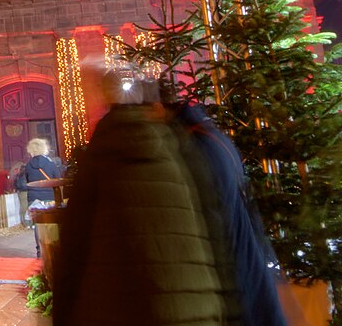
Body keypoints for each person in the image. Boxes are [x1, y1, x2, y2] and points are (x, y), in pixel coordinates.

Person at [52, 70, 227, 326]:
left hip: (115, 308)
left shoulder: (100, 156)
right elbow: (217, 237)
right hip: (192, 308)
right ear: (154, 107)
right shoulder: (182, 151)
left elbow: (73, 250)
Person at [169, 99, 286, 326]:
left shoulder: (196, 146)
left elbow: (214, 213)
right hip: (248, 247)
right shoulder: (215, 138)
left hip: (234, 260)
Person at [22, 138, 60, 256]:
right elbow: (57, 179)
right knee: (51, 224)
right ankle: (53, 248)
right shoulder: (51, 163)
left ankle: (39, 251)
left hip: (34, 198)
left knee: (37, 224)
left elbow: (27, 181)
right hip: (49, 196)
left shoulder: (28, 166)